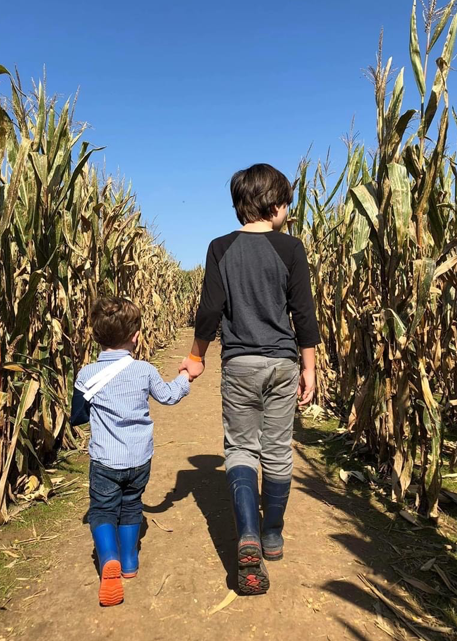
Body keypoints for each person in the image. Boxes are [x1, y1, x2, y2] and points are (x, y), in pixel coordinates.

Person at [180, 163, 320, 596]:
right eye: (286, 206)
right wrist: (309, 367)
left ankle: (248, 537)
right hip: (281, 364)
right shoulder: (291, 249)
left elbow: (209, 310)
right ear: (276, 206)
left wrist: (196, 357)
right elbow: (304, 314)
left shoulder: (220, 248)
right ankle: (273, 534)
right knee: (277, 449)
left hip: (239, 364)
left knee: (241, 448)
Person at [71, 296, 190, 607]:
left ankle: (108, 560)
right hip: (139, 459)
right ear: (136, 336)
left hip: (105, 460)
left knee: (102, 511)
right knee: (131, 505)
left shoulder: (86, 375)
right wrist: (185, 377)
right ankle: (130, 563)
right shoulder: (145, 371)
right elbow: (168, 397)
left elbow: (78, 416)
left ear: (95, 335)